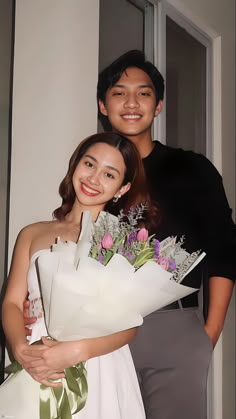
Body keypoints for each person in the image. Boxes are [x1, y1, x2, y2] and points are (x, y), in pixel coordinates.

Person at [96, 50, 236, 419]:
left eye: (143, 93)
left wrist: (211, 330)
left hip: (173, 328)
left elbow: (224, 248)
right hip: (100, 329)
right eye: (118, 92)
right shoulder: (94, 175)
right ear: (102, 104)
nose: (131, 102)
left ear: (157, 107)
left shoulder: (192, 169)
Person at [1, 132, 158, 419]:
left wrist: (76, 352)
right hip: (38, 356)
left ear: (122, 188)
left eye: (109, 174)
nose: (94, 179)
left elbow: (130, 326)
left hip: (99, 361)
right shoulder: (32, 233)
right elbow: (12, 302)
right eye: (89, 164)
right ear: (75, 165)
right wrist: (20, 349)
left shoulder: (124, 241)